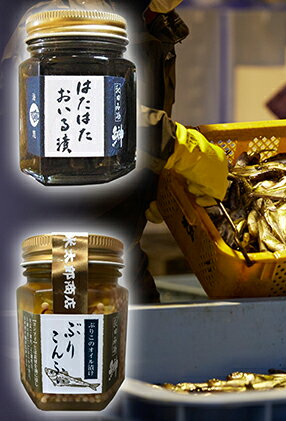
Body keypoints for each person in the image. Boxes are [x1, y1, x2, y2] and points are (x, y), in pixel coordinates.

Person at [1, 0, 227, 303]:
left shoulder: (149, 16)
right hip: (56, 257)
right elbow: (74, 110)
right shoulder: (66, 14)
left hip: (114, 251)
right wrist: (178, 148)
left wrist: (150, 182)